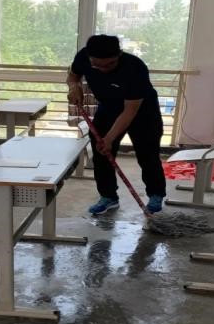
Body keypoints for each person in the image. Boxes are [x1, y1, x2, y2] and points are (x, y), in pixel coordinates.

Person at [67, 34, 166, 215]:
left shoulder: (135, 68)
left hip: (142, 112)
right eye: (97, 65)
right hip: (108, 107)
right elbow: (73, 76)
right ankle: (108, 197)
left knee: (148, 155)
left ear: (119, 54)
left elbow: (129, 111)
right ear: (89, 57)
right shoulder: (83, 56)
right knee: (101, 153)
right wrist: (74, 87)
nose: (103, 69)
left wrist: (109, 138)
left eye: (109, 64)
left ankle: (156, 194)